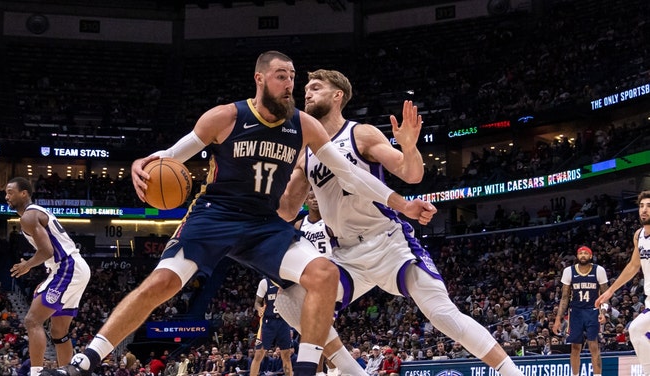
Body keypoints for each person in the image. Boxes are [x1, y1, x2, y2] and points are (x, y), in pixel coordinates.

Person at [44, 51, 433, 376]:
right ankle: (86, 359)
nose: (289, 85)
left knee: (324, 273)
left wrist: (402, 204)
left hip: (263, 224)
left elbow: (350, 174)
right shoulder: (226, 117)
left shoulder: (305, 125)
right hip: (215, 215)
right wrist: (145, 163)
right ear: (260, 79)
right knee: (161, 283)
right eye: (282, 76)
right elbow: (173, 155)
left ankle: (306, 370)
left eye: (293, 78)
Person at [276, 69, 524, 376]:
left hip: (388, 242)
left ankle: (513, 372)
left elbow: (411, 174)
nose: (307, 93)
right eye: (306, 90)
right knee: (290, 302)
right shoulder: (306, 152)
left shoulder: (360, 134)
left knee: (442, 314)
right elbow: (286, 211)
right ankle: (355, 373)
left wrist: (408, 146)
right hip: (345, 256)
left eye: (316, 88)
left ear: (337, 95)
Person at [5, 177, 91, 376]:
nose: (7, 197)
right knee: (59, 331)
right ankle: (68, 372)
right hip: (72, 268)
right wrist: (47, 279)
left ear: (24, 193)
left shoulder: (28, 216)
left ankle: (36, 373)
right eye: (6, 193)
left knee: (32, 320)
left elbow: (47, 251)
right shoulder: (36, 212)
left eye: (10, 192)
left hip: (67, 267)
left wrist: (27, 265)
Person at [596, 190, 650, 375]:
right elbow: (633, 266)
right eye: (642, 206)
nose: (644, 210)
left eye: (649, 206)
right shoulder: (639, 235)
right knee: (635, 331)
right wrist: (610, 291)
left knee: (635, 329)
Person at [552, 245, 608, 376]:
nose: (583, 255)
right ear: (577, 256)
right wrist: (558, 319)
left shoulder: (599, 270)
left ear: (590, 256)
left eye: (586, 253)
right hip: (575, 311)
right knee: (575, 347)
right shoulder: (568, 271)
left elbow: (605, 295)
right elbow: (565, 297)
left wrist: (603, 313)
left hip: (592, 310)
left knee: (594, 345)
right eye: (580, 253)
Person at [250, 278, 293, 376]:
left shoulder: (288, 282)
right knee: (259, 354)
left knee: (286, 355)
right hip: (268, 322)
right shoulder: (265, 282)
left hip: (284, 321)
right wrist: (259, 308)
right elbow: (257, 302)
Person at [294, 191, 333, 256]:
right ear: (306, 201)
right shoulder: (298, 225)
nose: (315, 200)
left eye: (318, 197)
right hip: (310, 263)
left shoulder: (330, 221)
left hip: (329, 261)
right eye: (311, 198)